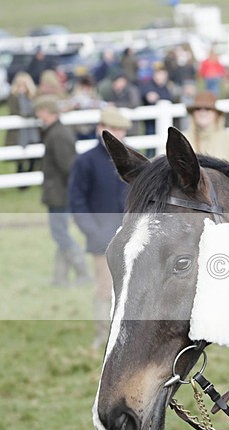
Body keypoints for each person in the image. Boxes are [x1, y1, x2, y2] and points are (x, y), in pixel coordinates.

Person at [68, 107, 131, 348]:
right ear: (100, 129)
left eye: (121, 130)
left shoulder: (131, 159)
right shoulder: (86, 162)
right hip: (101, 238)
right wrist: (93, 232)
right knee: (105, 287)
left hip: (131, 234)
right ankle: (103, 335)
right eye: (113, 129)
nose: (118, 135)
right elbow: (77, 200)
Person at [34, 95, 91, 287]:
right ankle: (60, 277)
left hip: (60, 193)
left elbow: (69, 167)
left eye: (39, 111)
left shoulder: (58, 134)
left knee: (60, 234)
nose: (37, 115)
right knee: (60, 233)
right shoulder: (55, 132)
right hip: (58, 192)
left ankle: (83, 272)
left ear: (46, 112)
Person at [183, 90, 229, 169]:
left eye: (208, 109)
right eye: (198, 109)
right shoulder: (183, 140)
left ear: (216, 114)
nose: (202, 112)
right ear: (193, 114)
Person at [5, 72, 41, 173]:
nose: (22, 86)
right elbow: (14, 111)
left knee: (34, 149)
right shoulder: (13, 96)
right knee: (19, 152)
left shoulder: (34, 95)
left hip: (32, 130)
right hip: (19, 131)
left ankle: (31, 170)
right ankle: (20, 171)